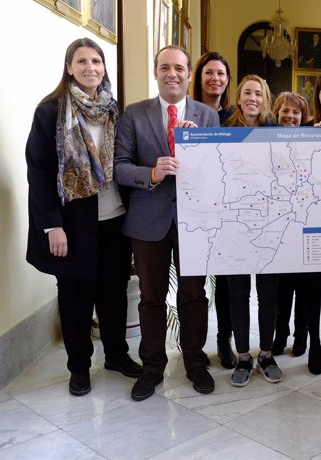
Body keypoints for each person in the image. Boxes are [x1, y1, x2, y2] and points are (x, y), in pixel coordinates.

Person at [25, 37, 142, 397]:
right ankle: (79, 367)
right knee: (74, 296)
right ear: (69, 67)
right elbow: (40, 170)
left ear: (104, 68)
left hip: (114, 219)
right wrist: (51, 225)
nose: (91, 67)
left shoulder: (112, 109)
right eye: (82, 61)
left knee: (113, 294)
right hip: (72, 224)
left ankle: (117, 356)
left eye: (97, 61)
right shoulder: (51, 111)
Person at [114, 45, 219, 401]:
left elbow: (218, 169)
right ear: (156, 72)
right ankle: (152, 367)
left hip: (194, 222)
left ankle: (194, 362)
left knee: (194, 295)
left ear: (189, 74)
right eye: (164, 67)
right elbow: (120, 166)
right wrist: (153, 173)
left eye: (179, 68)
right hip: (148, 222)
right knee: (151, 297)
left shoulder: (207, 116)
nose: (171, 73)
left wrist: (198, 149)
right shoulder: (134, 114)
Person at [225, 75, 284, 387]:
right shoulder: (223, 128)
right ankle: (243, 356)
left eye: (258, 93)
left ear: (265, 100)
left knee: (268, 292)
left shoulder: (276, 131)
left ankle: (266, 353)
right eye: (247, 92)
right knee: (238, 292)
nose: (252, 98)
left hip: (269, 225)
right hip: (234, 224)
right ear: (238, 98)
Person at [269, 92, 321, 374]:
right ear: (276, 114)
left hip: (310, 228)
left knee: (308, 290)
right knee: (282, 289)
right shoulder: (265, 143)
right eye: (284, 111)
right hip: (280, 229)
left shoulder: (313, 142)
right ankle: (282, 333)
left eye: (296, 112)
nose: (290, 116)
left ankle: (305, 336)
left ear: (304, 118)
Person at [190, 51, 236, 369]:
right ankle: (194, 347)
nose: (215, 79)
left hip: (230, 212)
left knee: (227, 285)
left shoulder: (235, 116)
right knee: (194, 285)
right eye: (209, 72)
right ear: (199, 77)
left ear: (227, 80)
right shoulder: (185, 112)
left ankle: (224, 342)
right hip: (194, 211)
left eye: (221, 73)